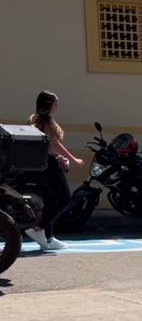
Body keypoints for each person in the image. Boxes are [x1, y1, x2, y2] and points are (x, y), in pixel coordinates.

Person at [26, 91, 81, 250]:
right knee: (65, 199)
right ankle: (39, 229)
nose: (58, 106)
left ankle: (49, 238)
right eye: (56, 103)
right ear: (49, 105)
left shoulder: (33, 119)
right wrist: (73, 158)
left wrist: (58, 157)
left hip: (39, 165)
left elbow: (46, 146)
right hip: (49, 165)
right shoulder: (47, 121)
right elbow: (55, 144)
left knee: (50, 200)